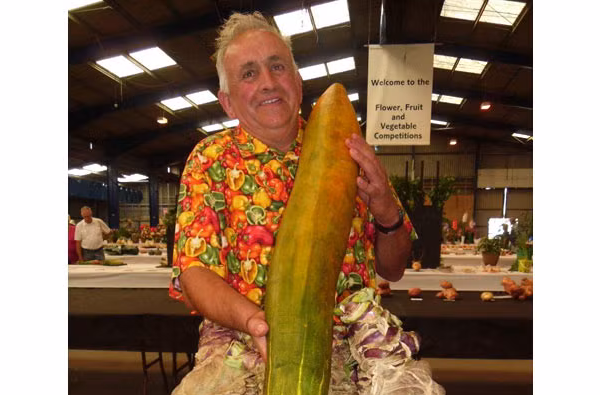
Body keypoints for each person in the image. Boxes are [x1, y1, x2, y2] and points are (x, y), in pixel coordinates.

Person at [169, 11, 416, 360]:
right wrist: (254, 322)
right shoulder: (211, 159)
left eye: (278, 66)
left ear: (298, 83)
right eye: (249, 74)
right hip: (245, 345)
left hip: (357, 343)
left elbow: (394, 269)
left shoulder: (347, 148)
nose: (268, 82)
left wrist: (386, 209)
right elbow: (194, 273)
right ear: (227, 103)